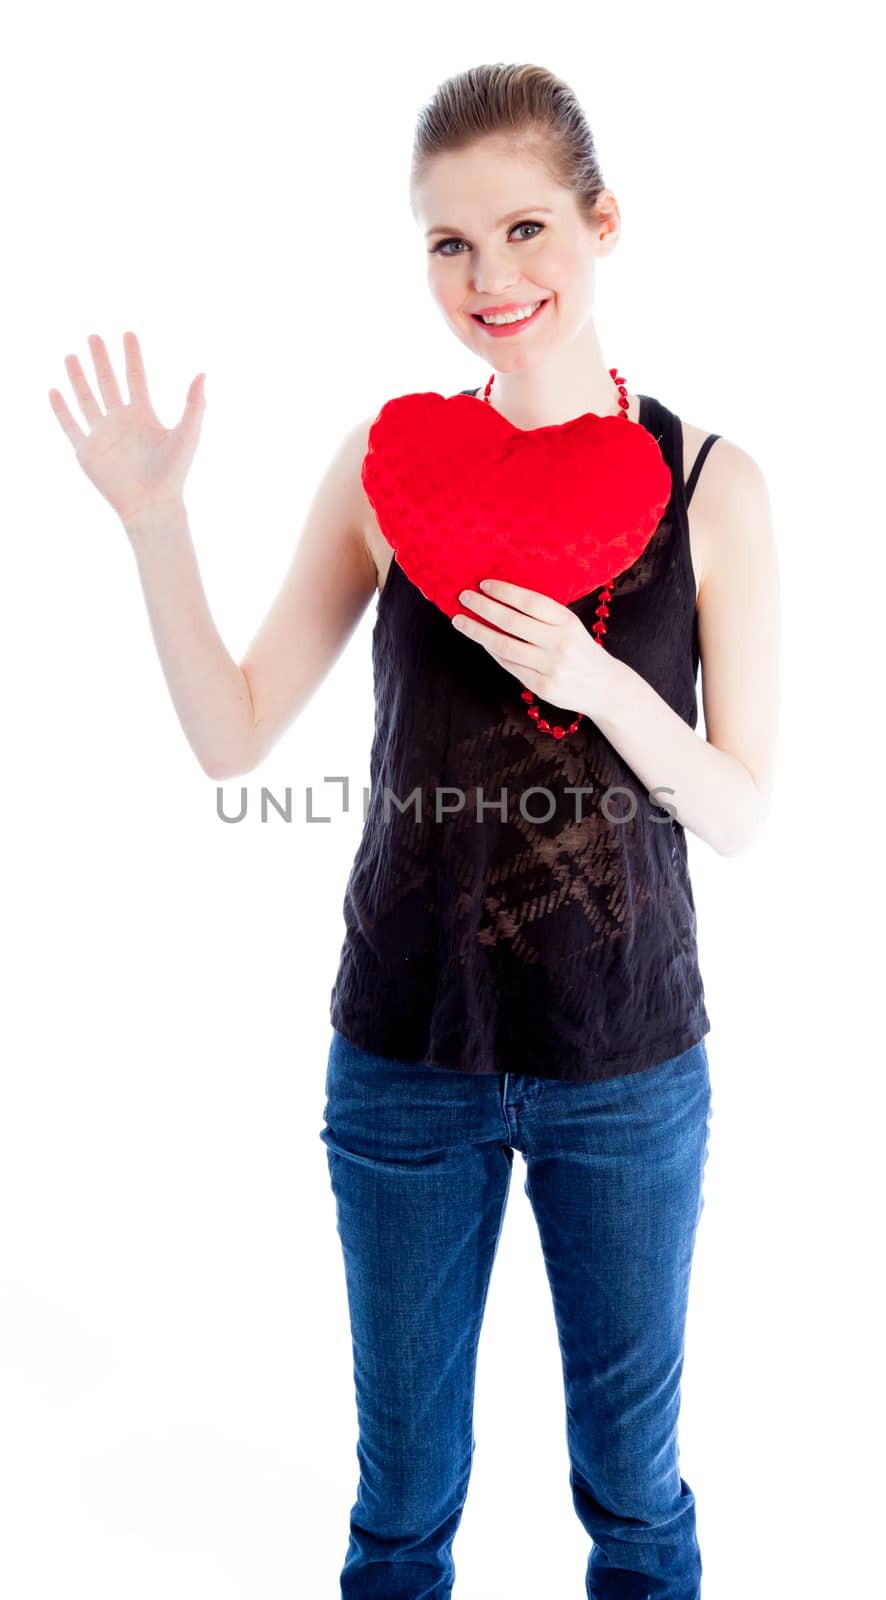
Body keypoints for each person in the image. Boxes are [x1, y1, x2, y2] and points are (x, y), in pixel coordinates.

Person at [48, 59, 780, 1600]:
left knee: (636, 1504)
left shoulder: (713, 484)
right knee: (400, 1513)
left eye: (523, 231)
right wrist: (155, 524)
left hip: (627, 1066)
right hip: (401, 1062)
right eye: (448, 245)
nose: (489, 278)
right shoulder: (391, 471)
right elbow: (232, 733)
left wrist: (594, 679)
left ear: (601, 224)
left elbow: (738, 810)